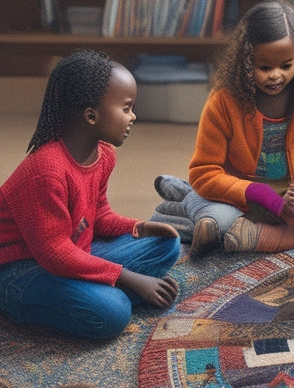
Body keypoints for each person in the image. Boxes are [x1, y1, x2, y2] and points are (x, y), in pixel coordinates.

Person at [152, 0, 294, 258]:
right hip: (243, 202)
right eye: (265, 67)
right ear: (246, 60)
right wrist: (256, 193)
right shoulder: (223, 103)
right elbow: (204, 174)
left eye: (286, 66)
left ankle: (189, 200)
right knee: (216, 222)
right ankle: (186, 209)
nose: (276, 75)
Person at [0, 50, 180, 339]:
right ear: (91, 116)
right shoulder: (46, 170)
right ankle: (34, 303)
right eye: (126, 108)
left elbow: (98, 217)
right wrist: (129, 278)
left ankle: (98, 292)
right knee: (114, 312)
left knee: (168, 243)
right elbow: (55, 254)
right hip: (19, 269)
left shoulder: (104, 156)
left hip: (72, 253)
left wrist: (139, 227)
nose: (133, 117)